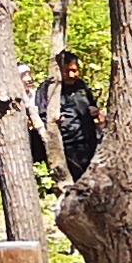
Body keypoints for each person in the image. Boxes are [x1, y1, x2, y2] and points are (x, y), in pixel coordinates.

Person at [48, 52, 100, 181]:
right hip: (68, 146)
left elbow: (92, 105)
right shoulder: (50, 89)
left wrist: (95, 111)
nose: (72, 75)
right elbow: (42, 116)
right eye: (67, 71)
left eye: (74, 70)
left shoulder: (81, 85)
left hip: (89, 142)